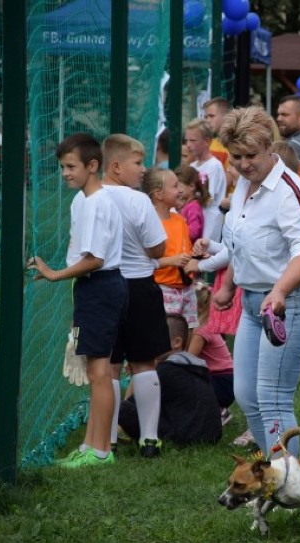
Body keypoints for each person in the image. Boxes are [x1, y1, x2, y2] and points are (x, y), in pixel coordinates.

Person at [207, 105, 300, 456]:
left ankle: (288, 483)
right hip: (252, 302)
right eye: (236, 157)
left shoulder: (291, 191)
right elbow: (241, 242)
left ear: (270, 148)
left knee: (273, 396)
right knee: (247, 395)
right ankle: (273, 474)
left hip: (294, 301)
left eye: (251, 156)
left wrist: (279, 291)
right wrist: (229, 285)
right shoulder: (245, 185)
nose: (243, 165)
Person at [29, 133, 127, 468]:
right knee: (94, 370)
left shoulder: (99, 203)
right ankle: (89, 447)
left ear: (93, 165)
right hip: (91, 289)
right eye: (62, 167)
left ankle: (101, 452)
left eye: (71, 166)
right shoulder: (82, 201)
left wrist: (56, 273)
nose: (65, 173)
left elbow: (96, 258)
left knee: (100, 373)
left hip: (101, 285)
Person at [101, 134, 171, 458]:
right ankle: (150, 440)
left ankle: (108, 438)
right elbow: (158, 247)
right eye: (138, 163)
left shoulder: (90, 198)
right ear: (116, 166)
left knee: (110, 366)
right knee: (144, 363)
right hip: (140, 286)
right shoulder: (138, 201)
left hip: (103, 287)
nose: (144, 170)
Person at [119, 314, 222, 446]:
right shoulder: (198, 366)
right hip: (211, 436)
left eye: (157, 336)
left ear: (177, 342)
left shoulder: (167, 370)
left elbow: (133, 405)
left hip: (183, 438)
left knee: (122, 408)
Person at [145, 168, 198, 330]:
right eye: (175, 186)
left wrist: (197, 255)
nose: (180, 190)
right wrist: (171, 261)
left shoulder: (179, 220)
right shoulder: (150, 224)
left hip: (187, 288)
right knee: (166, 338)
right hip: (163, 289)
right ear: (158, 195)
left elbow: (185, 251)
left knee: (185, 336)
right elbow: (144, 262)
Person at [189, 282, 235, 426]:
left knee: (182, 375)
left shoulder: (201, 331)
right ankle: (217, 409)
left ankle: (216, 411)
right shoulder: (207, 325)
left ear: (199, 306)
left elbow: (187, 359)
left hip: (221, 382)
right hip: (226, 381)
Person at [185, 118, 227, 241]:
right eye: (186, 140)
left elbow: (208, 197)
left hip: (209, 222)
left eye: (193, 140)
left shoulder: (214, 166)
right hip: (193, 220)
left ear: (207, 141)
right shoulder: (192, 166)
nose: (188, 145)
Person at [175, 165, 207, 244]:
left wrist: (175, 231)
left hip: (190, 251)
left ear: (191, 186)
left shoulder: (193, 207)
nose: (175, 190)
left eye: (177, 186)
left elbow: (193, 233)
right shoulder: (188, 205)